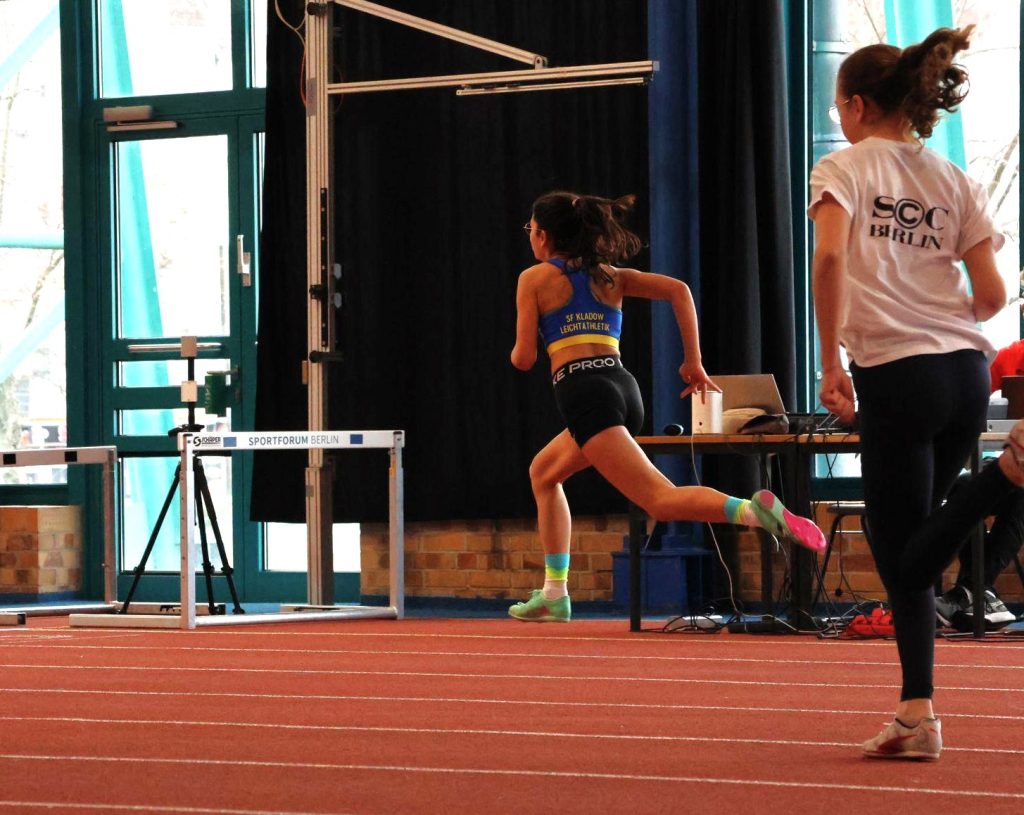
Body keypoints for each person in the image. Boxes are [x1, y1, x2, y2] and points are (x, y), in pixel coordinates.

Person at [810, 25, 1024, 762]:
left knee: (902, 557)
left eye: (838, 108)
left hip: (898, 374)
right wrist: (933, 302)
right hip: (964, 372)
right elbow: (992, 295)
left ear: (858, 106)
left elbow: (829, 257)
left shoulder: (843, 167)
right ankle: (916, 714)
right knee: (913, 551)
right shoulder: (953, 180)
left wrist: (831, 360)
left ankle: (1004, 476)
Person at [508, 190, 827, 624]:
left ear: (543, 236)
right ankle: (554, 594)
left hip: (585, 393)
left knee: (660, 501)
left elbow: (524, 357)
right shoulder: (611, 276)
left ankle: (753, 512)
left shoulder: (534, 279)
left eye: (531, 229)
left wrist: (529, 341)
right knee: (544, 473)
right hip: (623, 389)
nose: (530, 236)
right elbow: (678, 290)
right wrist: (693, 361)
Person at [936, 346, 1024, 631]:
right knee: (965, 486)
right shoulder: (1013, 355)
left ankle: (967, 592)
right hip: (1014, 462)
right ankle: (977, 591)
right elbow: (973, 398)